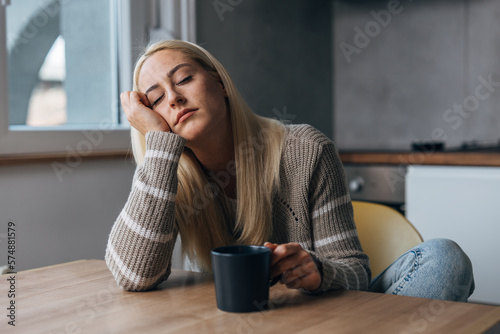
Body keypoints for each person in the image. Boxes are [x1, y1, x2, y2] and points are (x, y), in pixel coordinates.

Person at [105, 40, 474, 301]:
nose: (173, 98)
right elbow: (134, 276)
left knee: (444, 259)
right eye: (155, 99)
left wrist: (318, 271)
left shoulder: (306, 150)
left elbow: (355, 273)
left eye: (184, 79)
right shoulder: (168, 176)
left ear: (219, 82)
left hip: (327, 321)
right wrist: (158, 146)